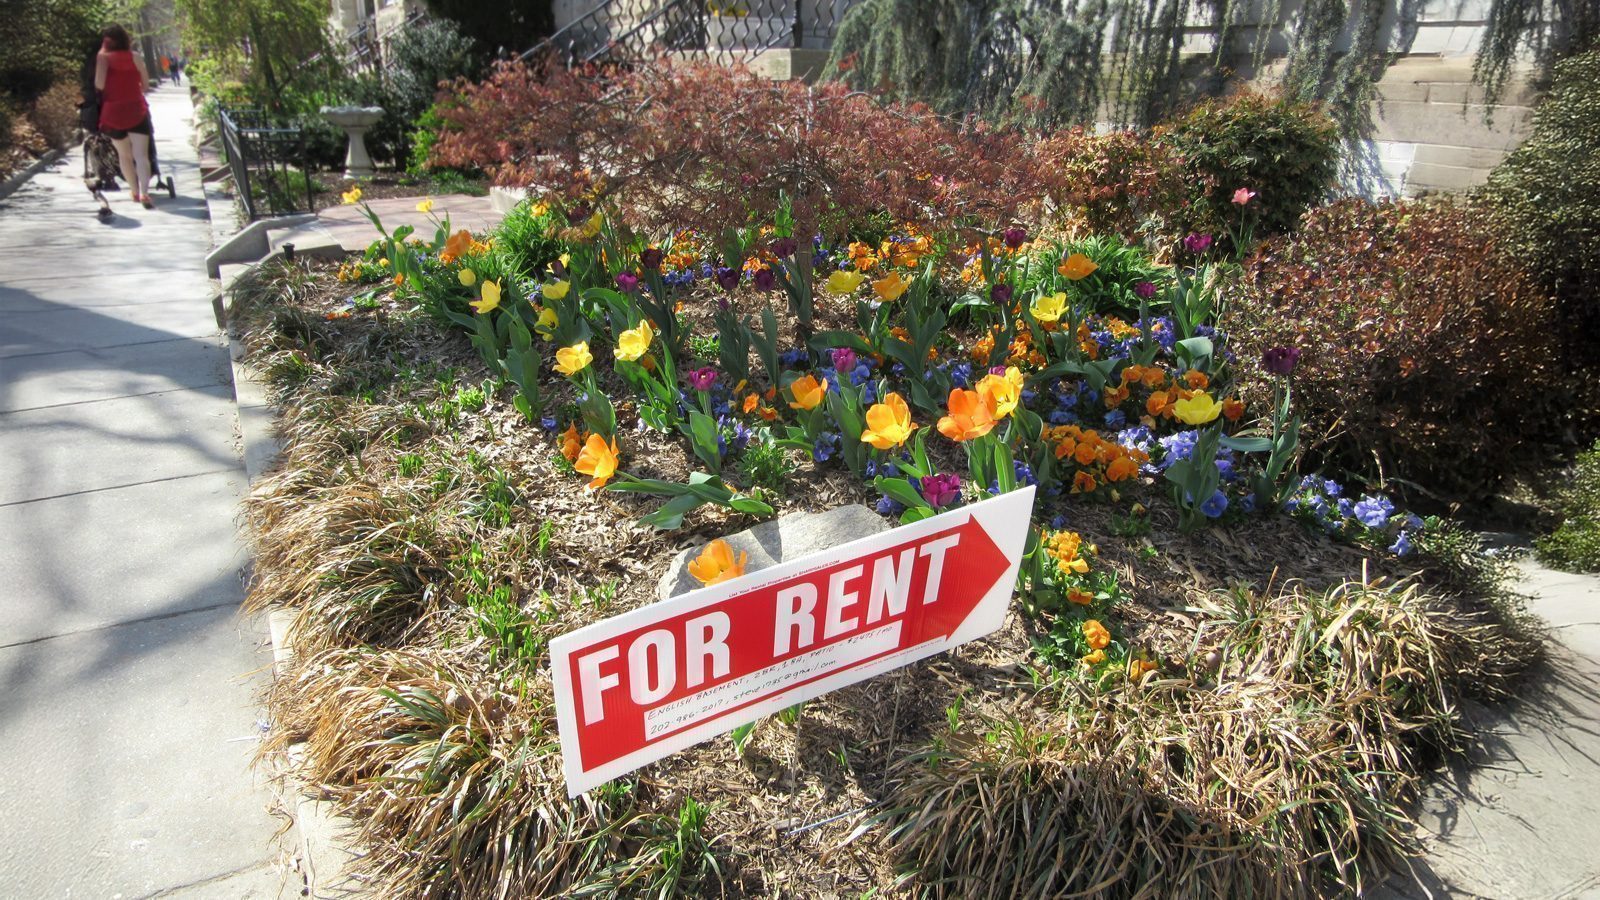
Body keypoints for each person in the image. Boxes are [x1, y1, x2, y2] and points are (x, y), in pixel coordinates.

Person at [94, 25, 154, 208]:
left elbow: (100, 84)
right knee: (141, 155)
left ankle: (134, 191)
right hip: (136, 109)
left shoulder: (103, 57)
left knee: (124, 155)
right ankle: (145, 192)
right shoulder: (135, 57)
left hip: (113, 112)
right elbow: (145, 84)